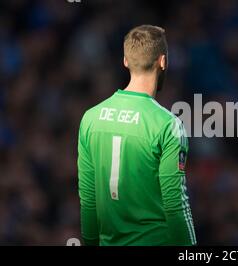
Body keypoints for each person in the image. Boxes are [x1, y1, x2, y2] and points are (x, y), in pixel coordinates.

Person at [77, 25, 196, 246]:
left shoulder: (90, 118)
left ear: (125, 61)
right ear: (162, 62)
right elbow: (175, 205)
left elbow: (88, 200)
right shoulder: (168, 125)